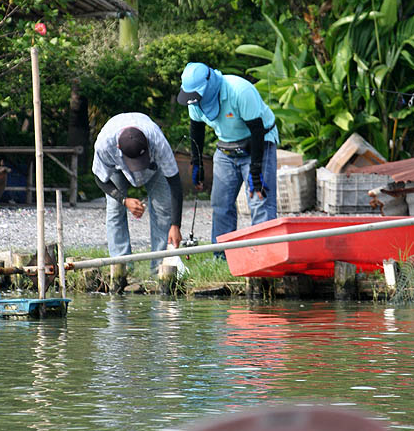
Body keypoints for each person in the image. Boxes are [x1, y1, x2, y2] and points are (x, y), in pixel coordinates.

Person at [177, 62, 278, 255]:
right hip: (226, 148)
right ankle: (222, 255)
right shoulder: (194, 100)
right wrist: (197, 163)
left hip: (258, 143)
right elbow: (196, 129)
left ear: (209, 86)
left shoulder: (239, 91)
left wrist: (256, 171)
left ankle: (266, 255)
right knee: (220, 202)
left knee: (259, 200)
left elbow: (257, 130)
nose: (194, 101)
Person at [92, 112, 182, 273]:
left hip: (153, 167)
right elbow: (100, 179)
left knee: (163, 210)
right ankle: (122, 267)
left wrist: (176, 225)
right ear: (118, 148)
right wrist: (123, 200)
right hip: (117, 169)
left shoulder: (157, 141)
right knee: (114, 210)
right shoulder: (104, 145)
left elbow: (175, 183)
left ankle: (158, 268)